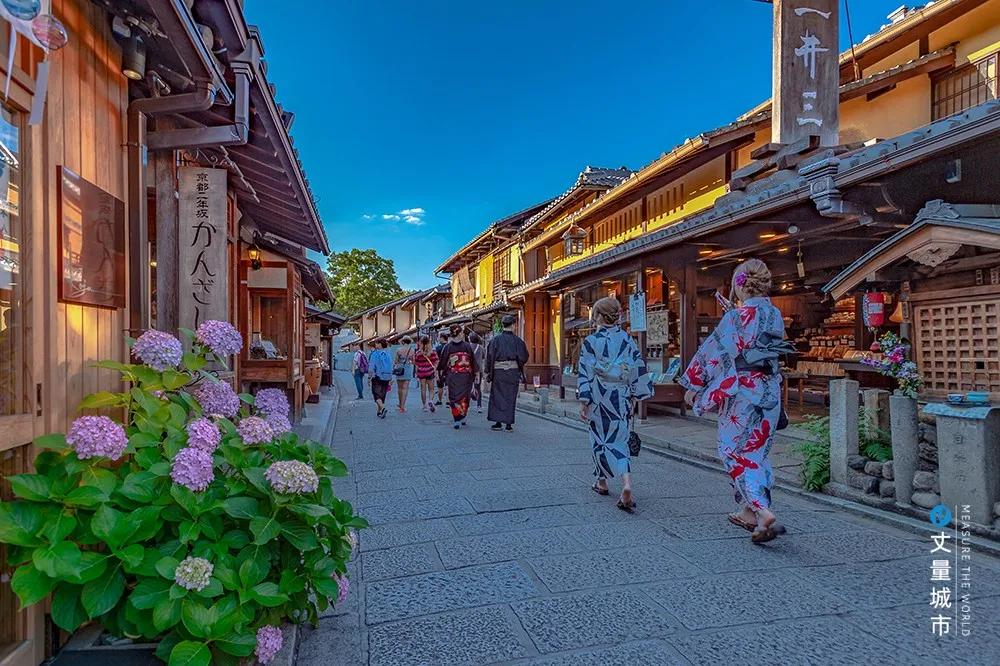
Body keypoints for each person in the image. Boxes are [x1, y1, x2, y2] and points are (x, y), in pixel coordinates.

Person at [679, 258, 787, 544]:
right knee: (758, 453)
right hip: (770, 391)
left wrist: (694, 386)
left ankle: (762, 511)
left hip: (742, 392)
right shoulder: (775, 315)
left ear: (740, 285)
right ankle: (749, 512)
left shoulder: (735, 318)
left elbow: (714, 353)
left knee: (734, 452)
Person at [578, 296, 652, 513]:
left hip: (599, 396)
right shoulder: (628, 340)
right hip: (621, 396)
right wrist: (637, 395)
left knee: (600, 439)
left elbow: (585, 373)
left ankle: (602, 482)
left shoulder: (591, 342)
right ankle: (626, 483)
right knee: (620, 440)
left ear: (599, 317)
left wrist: (584, 401)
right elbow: (637, 368)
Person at [486, 314, 528, 431]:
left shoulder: (495, 340)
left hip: (498, 372)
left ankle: (498, 422)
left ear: (503, 325)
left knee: (497, 396)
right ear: (513, 325)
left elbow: (490, 357)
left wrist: (488, 372)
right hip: (512, 372)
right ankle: (508, 424)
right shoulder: (518, 341)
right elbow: (524, 357)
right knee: (510, 396)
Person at [437, 324, 478, 429]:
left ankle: (459, 417)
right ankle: (459, 417)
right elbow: (473, 362)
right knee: (460, 397)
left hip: (457, 375)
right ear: (460, 333)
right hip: (461, 375)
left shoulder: (449, 347)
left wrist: (441, 374)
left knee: (458, 398)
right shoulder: (466, 346)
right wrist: (476, 374)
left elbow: (442, 363)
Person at [368, 338, 393, 419]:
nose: (375, 345)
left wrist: (369, 377)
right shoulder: (388, 354)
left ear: (379, 344)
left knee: (376, 395)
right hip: (387, 377)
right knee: (382, 395)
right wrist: (390, 378)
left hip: (377, 377)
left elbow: (371, 367)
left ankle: (383, 408)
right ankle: (379, 412)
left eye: (376, 343)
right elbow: (391, 366)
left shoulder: (375, 354)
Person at [414, 335, 439, 411]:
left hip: (421, 372)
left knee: (423, 389)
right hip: (430, 371)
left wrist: (416, 372)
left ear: (421, 343)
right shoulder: (433, 352)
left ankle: (424, 405)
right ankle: (430, 401)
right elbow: (437, 360)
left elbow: (416, 364)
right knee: (431, 389)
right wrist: (434, 368)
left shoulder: (418, 353)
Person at [394, 336, 416, 412]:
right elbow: (413, 362)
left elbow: (396, 361)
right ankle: (402, 406)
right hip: (407, 368)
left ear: (402, 341)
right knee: (405, 388)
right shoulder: (412, 350)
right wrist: (408, 361)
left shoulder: (398, 350)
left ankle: (400, 403)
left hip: (399, 369)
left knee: (399, 388)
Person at [468, 331, 487, 413]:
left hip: (468, 370)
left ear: (470, 339)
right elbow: (484, 357)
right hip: (479, 370)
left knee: (467, 387)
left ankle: (466, 405)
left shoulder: (467, 347)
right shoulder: (481, 347)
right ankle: (479, 406)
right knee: (478, 388)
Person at [433, 331, 449, 405]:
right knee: (448, 385)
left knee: (440, 385)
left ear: (442, 338)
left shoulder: (438, 348)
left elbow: (435, 360)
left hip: (440, 369)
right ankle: (448, 401)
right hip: (449, 368)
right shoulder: (450, 347)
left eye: (439, 337)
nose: (438, 339)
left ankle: (440, 400)